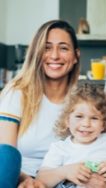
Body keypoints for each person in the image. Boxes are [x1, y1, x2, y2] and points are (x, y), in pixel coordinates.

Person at [0, 20, 80, 187]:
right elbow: (5, 155)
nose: (55, 56)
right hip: (17, 179)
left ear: (75, 57)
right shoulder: (16, 92)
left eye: (63, 48)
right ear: (37, 53)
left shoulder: (82, 100)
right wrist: (27, 181)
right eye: (47, 48)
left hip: (64, 181)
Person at [36, 83, 106, 187]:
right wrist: (65, 172)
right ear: (67, 120)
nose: (86, 124)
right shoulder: (60, 148)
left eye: (94, 118)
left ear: (104, 124)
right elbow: (42, 178)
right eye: (79, 116)